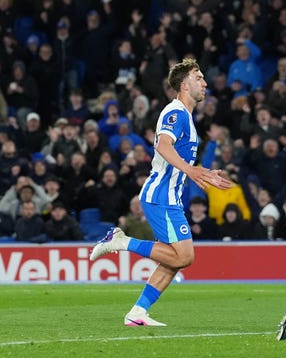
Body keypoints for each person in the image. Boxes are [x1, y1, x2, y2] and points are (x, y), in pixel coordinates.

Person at [89, 58, 233, 326]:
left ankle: (138, 312)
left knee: (175, 259)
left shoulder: (186, 117)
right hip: (160, 196)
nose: (204, 82)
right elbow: (163, 147)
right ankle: (120, 242)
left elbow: (176, 158)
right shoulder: (175, 113)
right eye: (199, 77)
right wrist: (192, 171)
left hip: (169, 197)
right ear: (184, 84)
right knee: (185, 256)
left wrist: (201, 171)